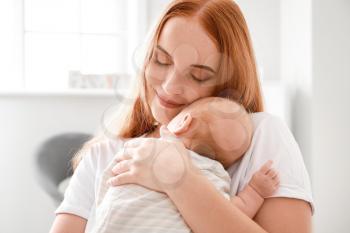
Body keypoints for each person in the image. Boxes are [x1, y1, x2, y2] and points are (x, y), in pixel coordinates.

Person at [50, 0, 314, 232]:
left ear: (227, 86)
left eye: (198, 75)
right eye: (161, 60)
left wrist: (177, 176)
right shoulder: (102, 156)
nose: (169, 86)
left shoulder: (259, 136)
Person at [90, 97, 279, 233]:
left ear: (183, 123)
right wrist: (255, 191)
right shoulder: (213, 175)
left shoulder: (140, 147)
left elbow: (108, 183)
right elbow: (231, 213)